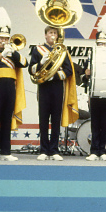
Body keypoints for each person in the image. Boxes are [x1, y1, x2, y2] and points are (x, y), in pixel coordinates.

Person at [0, 7, 28, 162]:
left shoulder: (12, 52)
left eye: (6, 38)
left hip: (10, 87)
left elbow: (24, 63)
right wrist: (2, 55)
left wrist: (13, 53)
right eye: (1, 38)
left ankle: (6, 152)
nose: (4, 41)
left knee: (7, 119)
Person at [29, 25, 78, 161]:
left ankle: (54, 149)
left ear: (57, 36)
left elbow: (69, 70)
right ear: (45, 35)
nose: (52, 35)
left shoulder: (63, 51)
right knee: (43, 119)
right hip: (44, 88)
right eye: (50, 33)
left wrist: (54, 76)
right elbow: (31, 70)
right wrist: (41, 63)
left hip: (57, 87)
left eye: (55, 33)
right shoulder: (38, 49)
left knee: (56, 119)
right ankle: (44, 150)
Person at [81, 13, 106, 161]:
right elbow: (82, 78)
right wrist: (86, 74)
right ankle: (94, 150)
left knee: (105, 123)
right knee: (95, 122)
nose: (101, 46)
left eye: (104, 43)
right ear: (96, 43)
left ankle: (103, 150)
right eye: (99, 43)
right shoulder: (91, 56)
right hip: (94, 94)